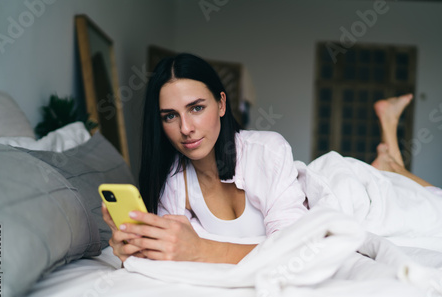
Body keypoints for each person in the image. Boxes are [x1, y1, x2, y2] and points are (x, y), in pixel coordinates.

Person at [102, 53, 308, 265]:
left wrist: (201, 249)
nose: (185, 128)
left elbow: (295, 250)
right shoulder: (172, 182)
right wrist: (135, 251)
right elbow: (170, 258)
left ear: (221, 104)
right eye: (170, 116)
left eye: (196, 108)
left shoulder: (267, 152)